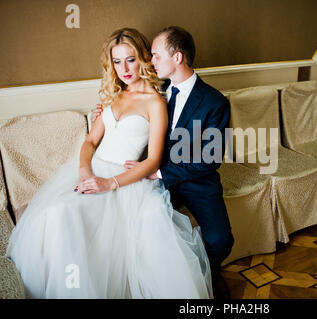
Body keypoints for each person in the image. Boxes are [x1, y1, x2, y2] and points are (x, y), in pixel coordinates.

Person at [6, 27, 213, 299]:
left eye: (130, 59)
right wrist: (84, 171)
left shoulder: (155, 103)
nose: (124, 68)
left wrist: (109, 183)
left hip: (126, 180)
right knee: (54, 213)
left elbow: (151, 161)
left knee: (70, 217)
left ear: (144, 58)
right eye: (116, 61)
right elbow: (90, 142)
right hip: (92, 170)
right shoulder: (111, 96)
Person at [93, 26, 234, 299]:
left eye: (155, 55)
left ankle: (208, 272)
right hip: (150, 178)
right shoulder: (155, 88)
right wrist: (105, 113)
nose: (150, 61)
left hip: (195, 181)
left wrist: (159, 172)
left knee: (221, 239)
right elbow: (124, 111)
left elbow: (210, 158)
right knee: (144, 227)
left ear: (177, 57)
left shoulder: (214, 102)